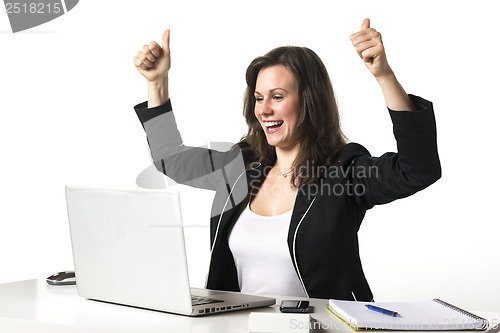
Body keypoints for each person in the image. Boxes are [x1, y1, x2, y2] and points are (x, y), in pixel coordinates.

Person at [132, 19, 441, 301]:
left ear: (308, 101)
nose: (264, 109)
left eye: (277, 97)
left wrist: (384, 75)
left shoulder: (344, 172)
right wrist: (156, 83)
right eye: (258, 97)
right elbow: (171, 159)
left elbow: (416, 169)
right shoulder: (241, 168)